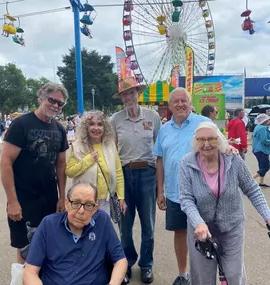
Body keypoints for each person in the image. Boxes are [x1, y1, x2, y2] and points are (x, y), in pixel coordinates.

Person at [180, 121, 270, 285]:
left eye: (211, 139)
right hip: (201, 231)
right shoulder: (187, 163)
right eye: (201, 140)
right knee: (202, 278)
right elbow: (186, 199)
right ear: (195, 142)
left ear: (220, 139)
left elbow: (251, 188)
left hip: (231, 227)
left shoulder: (233, 159)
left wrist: (267, 215)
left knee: (233, 275)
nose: (206, 144)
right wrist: (198, 223)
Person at [0, 82, 69, 264]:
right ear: (41, 98)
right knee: (25, 249)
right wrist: (12, 202)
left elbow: (61, 166)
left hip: (49, 198)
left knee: (50, 243)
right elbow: (6, 163)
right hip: (24, 198)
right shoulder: (21, 124)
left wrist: (62, 197)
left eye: (60, 103)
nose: (55, 105)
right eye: (52, 100)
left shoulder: (60, 129)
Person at [153, 87, 210, 285]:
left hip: (201, 191)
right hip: (174, 192)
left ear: (190, 102)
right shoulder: (164, 130)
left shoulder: (203, 124)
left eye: (183, 100)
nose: (180, 104)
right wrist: (160, 191)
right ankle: (183, 274)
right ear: (169, 106)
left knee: (204, 232)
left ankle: (204, 275)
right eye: (175, 101)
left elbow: (219, 149)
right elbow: (160, 160)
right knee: (179, 232)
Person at [23, 182, 128, 285]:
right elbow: (30, 272)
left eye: (88, 205)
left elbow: (120, 261)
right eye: (76, 203)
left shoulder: (102, 221)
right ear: (67, 203)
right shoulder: (48, 224)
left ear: (95, 209)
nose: (81, 211)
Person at [111, 77, 161, 284]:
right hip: (124, 174)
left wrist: (161, 186)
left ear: (138, 94)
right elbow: (111, 149)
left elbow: (159, 148)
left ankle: (146, 264)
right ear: (121, 98)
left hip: (148, 173)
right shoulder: (115, 119)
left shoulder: (153, 116)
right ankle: (127, 263)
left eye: (131, 92)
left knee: (148, 224)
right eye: (124, 94)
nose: (128, 97)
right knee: (125, 224)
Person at [66, 110, 126, 215]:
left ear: (105, 127)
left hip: (105, 200)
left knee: (102, 229)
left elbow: (118, 172)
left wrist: (121, 197)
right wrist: (88, 160)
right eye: (92, 124)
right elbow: (69, 172)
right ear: (86, 127)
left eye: (100, 124)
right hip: (84, 201)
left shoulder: (110, 145)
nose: (96, 128)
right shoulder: (77, 146)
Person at [252, 114, 270, 187]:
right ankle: (250, 179)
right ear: (264, 121)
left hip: (257, 149)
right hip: (262, 149)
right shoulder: (263, 128)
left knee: (262, 166)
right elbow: (264, 140)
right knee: (266, 166)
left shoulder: (258, 127)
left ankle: (261, 182)